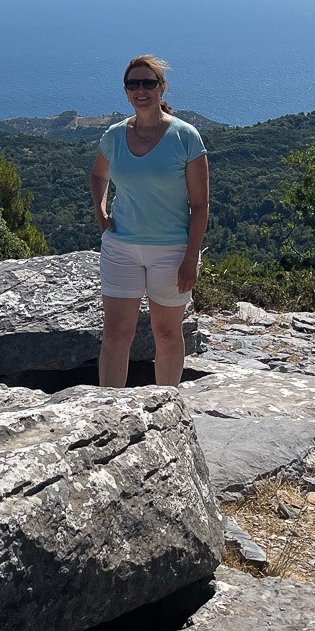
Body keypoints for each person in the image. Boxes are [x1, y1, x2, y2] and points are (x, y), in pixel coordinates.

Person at [89, 55, 209, 388]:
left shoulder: (186, 137)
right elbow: (98, 176)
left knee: (167, 333)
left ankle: (168, 408)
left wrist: (190, 260)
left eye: (148, 83)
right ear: (126, 91)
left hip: (172, 251)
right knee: (115, 334)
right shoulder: (114, 136)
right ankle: (107, 412)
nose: (140, 90)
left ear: (161, 87)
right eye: (133, 84)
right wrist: (101, 213)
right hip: (120, 249)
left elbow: (200, 205)